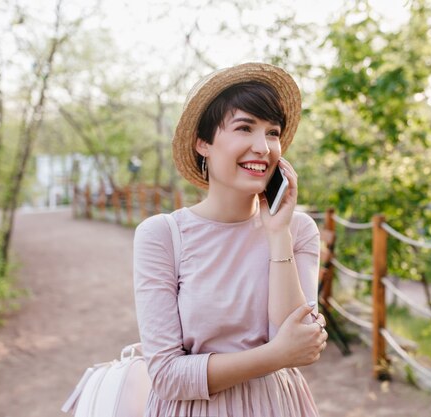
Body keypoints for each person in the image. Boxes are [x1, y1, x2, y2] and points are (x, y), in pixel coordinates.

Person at [133, 62, 327, 417]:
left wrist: (277, 234)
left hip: (278, 407)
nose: (264, 147)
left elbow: (300, 343)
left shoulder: (297, 230)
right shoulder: (162, 235)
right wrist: (276, 355)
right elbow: (166, 375)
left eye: (272, 132)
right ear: (203, 143)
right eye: (244, 128)